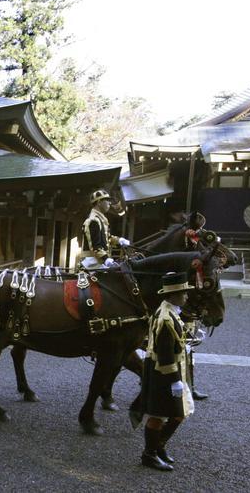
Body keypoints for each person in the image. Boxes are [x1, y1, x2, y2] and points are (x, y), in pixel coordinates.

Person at [130, 272, 195, 471]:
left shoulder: (171, 310)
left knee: (178, 412)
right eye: (183, 293)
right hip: (164, 373)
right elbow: (165, 353)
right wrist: (175, 380)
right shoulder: (166, 318)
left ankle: (158, 446)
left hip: (166, 371)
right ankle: (149, 454)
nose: (186, 296)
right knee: (160, 415)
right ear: (173, 294)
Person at [80, 189, 131, 270]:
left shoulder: (101, 219)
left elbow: (107, 238)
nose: (109, 203)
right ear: (99, 202)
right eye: (107, 200)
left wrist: (119, 240)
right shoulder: (93, 220)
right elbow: (95, 246)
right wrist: (106, 259)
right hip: (92, 263)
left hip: (100, 261)